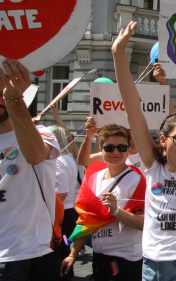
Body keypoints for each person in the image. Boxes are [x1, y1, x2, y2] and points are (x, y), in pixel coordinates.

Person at [113, 21, 176, 281]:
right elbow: (132, 106)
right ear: (163, 141)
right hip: (151, 265)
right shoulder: (153, 165)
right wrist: (118, 54)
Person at [0, 61, 61, 281]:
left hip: (35, 253)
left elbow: (35, 155)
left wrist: (15, 100)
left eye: (2, 92)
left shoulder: (43, 133)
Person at [61, 124, 145, 281]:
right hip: (99, 256)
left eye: (121, 147)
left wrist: (116, 211)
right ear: (101, 148)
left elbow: (143, 223)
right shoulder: (93, 177)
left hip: (126, 259)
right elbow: (86, 219)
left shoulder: (138, 179)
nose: (116, 152)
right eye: (109, 148)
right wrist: (73, 254)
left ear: (128, 149)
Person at [46, 125, 79, 281]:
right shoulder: (68, 158)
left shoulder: (58, 161)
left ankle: (64, 275)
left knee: (60, 250)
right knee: (65, 248)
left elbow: (61, 194)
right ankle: (67, 274)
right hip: (69, 211)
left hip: (61, 214)